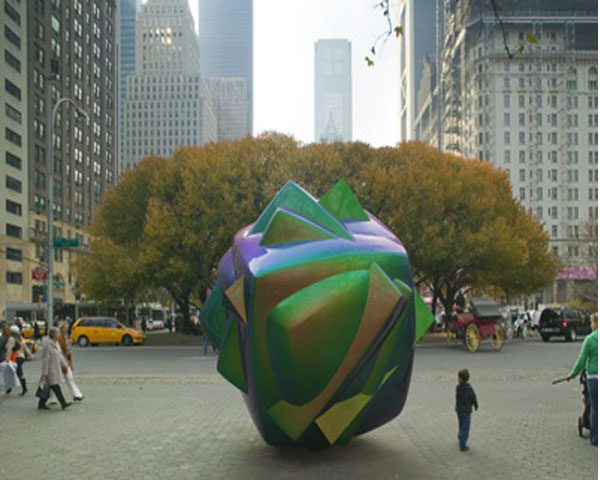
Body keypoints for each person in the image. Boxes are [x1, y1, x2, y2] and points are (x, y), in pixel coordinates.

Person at [568, 313, 598, 447]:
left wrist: (572, 374)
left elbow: (581, 361)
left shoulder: (590, 339)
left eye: (592, 323)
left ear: (596, 323)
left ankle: (595, 438)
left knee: (595, 408)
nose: (591, 326)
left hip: (594, 377)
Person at [38, 327, 72, 410]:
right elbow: (45, 360)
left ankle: (41, 404)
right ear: (53, 335)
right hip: (50, 370)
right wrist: (45, 372)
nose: (59, 335)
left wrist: (65, 365)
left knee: (49, 388)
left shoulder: (55, 344)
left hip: (55, 369)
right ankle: (63, 403)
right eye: (57, 334)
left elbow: (59, 356)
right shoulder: (48, 345)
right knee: (55, 387)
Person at [57, 321, 83, 401]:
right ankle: (77, 395)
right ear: (62, 328)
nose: (67, 329)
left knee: (68, 378)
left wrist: (70, 361)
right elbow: (61, 351)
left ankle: (77, 395)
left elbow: (68, 350)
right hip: (62, 360)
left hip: (65, 359)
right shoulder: (60, 337)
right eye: (65, 327)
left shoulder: (65, 336)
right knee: (58, 380)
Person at [455, 368, 479, 451]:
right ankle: (462, 444)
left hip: (459, 410)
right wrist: (476, 405)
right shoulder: (469, 389)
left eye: (458, 378)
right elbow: (473, 398)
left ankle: (460, 437)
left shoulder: (458, 387)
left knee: (461, 425)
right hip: (466, 411)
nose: (457, 379)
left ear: (461, 379)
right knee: (465, 427)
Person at [10, 329, 32, 395]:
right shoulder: (21, 341)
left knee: (18, 372)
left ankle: (24, 388)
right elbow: (26, 349)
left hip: (17, 358)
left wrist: (29, 355)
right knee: (18, 372)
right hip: (21, 357)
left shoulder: (15, 342)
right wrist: (30, 355)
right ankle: (24, 388)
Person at [0, 324, 20, 394]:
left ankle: (8, 385)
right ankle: (9, 386)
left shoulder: (4, 337)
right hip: (5, 356)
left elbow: (7, 347)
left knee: (5, 372)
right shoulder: (8, 337)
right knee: (6, 372)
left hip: (3, 355)